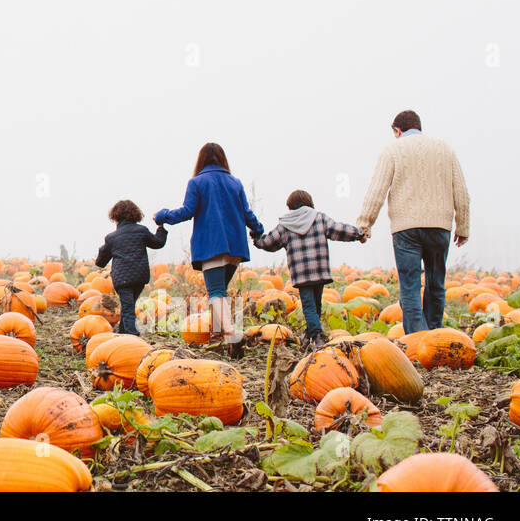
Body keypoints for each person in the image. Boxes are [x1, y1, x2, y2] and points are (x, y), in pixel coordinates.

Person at [357, 109, 470, 334]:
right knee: (436, 283)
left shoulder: (392, 150)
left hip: (406, 228)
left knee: (409, 286)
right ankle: (435, 334)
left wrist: (364, 224)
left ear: (398, 131)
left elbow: (376, 190)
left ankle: (417, 339)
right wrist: (463, 226)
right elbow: (461, 190)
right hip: (439, 226)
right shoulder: (445, 149)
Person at [155, 143, 264, 343]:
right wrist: (257, 230)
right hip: (235, 247)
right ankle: (217, 334)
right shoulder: (235, 183)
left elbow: (187, 211)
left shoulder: (197, 182)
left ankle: (231, 334)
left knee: (216, 292)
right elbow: (246, 213)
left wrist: (163, 216)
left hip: (212, 244)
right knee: (219, 290)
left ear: (201, 159)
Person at [254, 189, 367, 345]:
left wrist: (256, 238)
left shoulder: (285, 225)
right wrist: (359, 234)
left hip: (301, 273)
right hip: (320, 270)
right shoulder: (319, 218)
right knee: (316, 303)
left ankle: (316, 334)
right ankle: (310, 334)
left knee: (308, 305)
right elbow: (339, 230)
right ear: (309, 203)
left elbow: (268, 243)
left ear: (290, 206)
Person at [94, 200, 168, 337]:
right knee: (129, 304)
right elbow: (158, 243)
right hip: (140, 277)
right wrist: (160, 227)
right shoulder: (142, 231)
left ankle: (131, 335)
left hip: (122, 280)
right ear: (135, 215)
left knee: (127, 307)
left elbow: (100, 262)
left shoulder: (111, 238)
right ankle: (122, 331)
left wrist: (101, 252)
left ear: (115, 217)